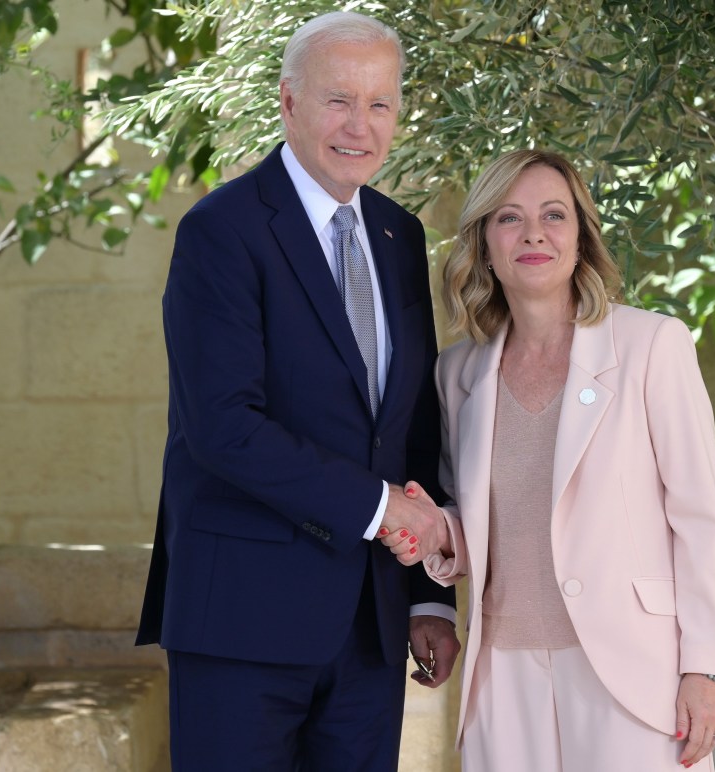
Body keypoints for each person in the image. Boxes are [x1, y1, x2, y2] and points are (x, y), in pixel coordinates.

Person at [135, 11, 461, 771]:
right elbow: (224, 428)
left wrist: (427, 597)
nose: (360, 125)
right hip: (242, 618)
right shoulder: (222, 231)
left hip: (371, 627)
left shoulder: (398, 234)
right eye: (338, 100)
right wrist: (385, 509)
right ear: (288, 102)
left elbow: (410, 421)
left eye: (380, 104)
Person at [382, 149, 715, 771]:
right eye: (509, 218)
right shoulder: (458, 373)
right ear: (484, 243)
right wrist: (437, 534)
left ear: (581, 238)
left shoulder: (653, 344)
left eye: (554, 215)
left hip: (632, 672)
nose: (534, 233)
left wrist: (707, 669)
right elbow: (483, 524)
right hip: (504, 676)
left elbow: (701, 520)